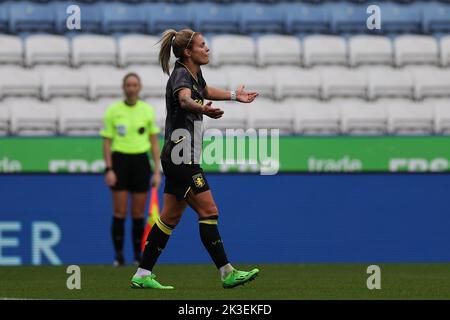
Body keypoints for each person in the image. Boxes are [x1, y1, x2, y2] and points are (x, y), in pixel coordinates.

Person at [130, 29, 260, 290]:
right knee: (209, 211)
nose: (207, 49)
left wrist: (235, 96)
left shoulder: (193, 73)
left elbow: (204, 89)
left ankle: (142, 274)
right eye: (202, 45)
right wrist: (204, 109)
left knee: (169, 217)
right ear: (188, 52)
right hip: (182, 158)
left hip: (180, 156)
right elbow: (185, 99)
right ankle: (227, 272)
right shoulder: (180, 74)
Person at [100, 73, 161, 266]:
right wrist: (109, 169)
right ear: (123, 87)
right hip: (120, 161)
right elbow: (107, 142)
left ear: (140, 87)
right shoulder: (113, 111)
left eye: (134, 85)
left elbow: (154, 143)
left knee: (137, 213)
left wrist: (157, 171)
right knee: (119, 212)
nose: (131, 88)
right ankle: (118, 256)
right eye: (128, 85)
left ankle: (137, 256)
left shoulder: (147, 111)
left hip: (141, 162)